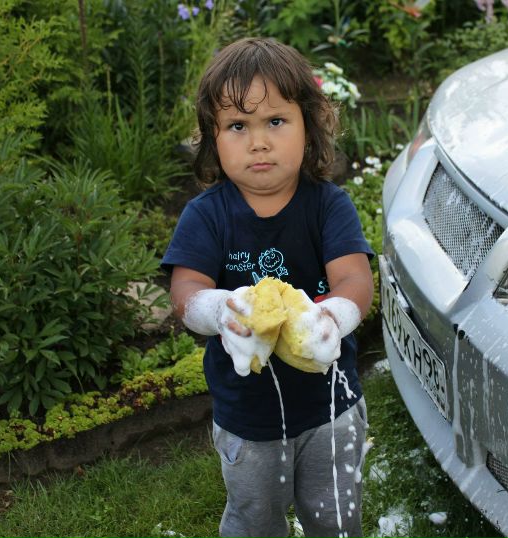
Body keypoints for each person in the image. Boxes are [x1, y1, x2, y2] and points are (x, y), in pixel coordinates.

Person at [161, 37, 374, 538]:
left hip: (330, 409)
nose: (258, 141)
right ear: (214, 139)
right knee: (255, 521)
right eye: (238, 126)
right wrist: (220, 312)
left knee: (335, 517)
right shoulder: (206, 217)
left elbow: (354, 278)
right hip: (247, 416)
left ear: (309, 125)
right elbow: (185, 288)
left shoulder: (328, 206)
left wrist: (334, 318)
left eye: (275, 121)